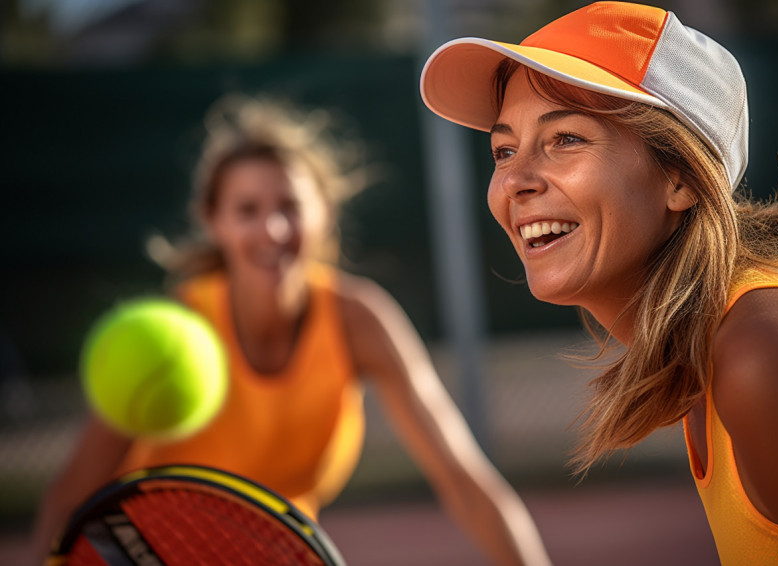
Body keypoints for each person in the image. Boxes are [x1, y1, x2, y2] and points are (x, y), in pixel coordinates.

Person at [26, 95, 552, 566]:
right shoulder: (168, 334)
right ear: (215, 222)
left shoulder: (358, 319)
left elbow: (462, 479)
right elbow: (71, 494)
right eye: (247, 210)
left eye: (290, 207)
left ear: (324, 214)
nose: (273, 229)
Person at [420, 2, 778, 564]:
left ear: (680, 176)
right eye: (504, 149)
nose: (516, 181)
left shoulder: (769, 351)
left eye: (566, 139)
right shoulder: (726, 347)